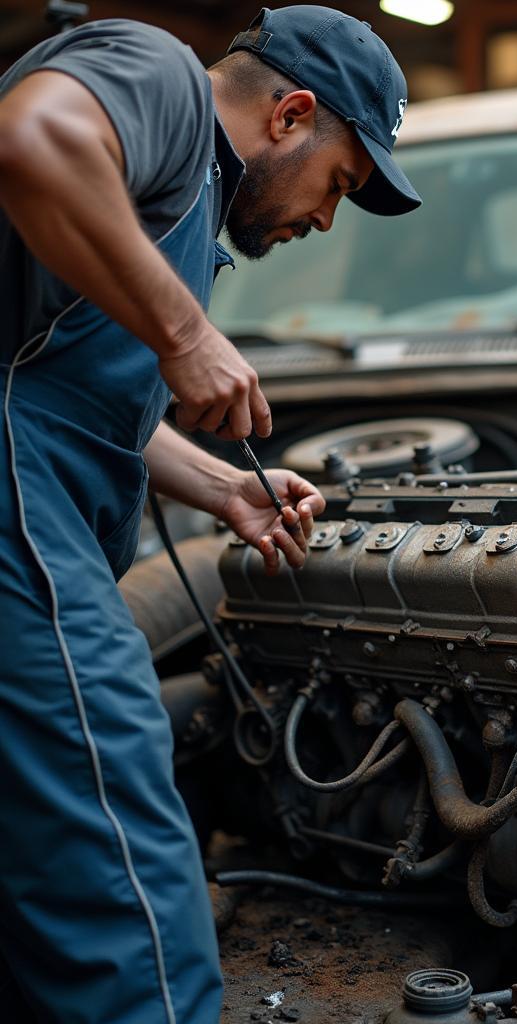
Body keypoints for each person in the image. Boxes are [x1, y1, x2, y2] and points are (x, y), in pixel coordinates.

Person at [0, 6, 420, 1021]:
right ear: (292, 114)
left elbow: (60, 388)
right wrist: (184, 334)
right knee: (113, 812)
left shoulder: (176, 196)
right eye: (340, 185)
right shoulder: (160, 81)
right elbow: (31, 137)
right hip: (19, 515)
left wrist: (222, 485)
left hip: (36, 496)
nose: (324, 219)